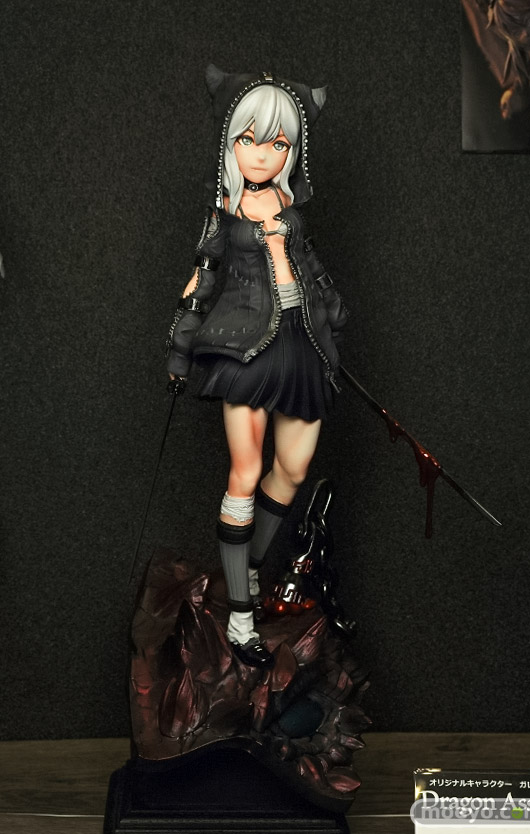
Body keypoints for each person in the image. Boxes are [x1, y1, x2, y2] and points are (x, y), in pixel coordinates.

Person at [166, 65, 347, 668]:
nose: (262, 153)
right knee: (246, 471)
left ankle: (247, 570)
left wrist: (331, 315)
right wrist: (180, 346)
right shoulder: (225, 208)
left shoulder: (290, 205)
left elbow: (312, 268)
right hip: (242, 347)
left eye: (278, 142)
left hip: (300, 346)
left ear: (292, 150)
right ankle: (241, 615)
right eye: (249, 139)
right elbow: (202, 278)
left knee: (291, 470)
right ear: (232, 141)